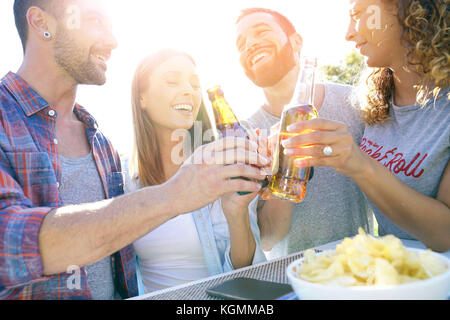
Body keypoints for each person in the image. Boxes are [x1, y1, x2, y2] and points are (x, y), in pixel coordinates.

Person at [0, 0, 266, 300]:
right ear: (41, 23)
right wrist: (177, 193)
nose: (113, 41)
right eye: (94, 21)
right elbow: (9, 245)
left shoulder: (100, 144)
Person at [283, 0, 449, 252]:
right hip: (394, 276)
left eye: (357, 13)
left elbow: (445, 235)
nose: (348, 33)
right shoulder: (375, 105)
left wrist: (360, 165)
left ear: (409, 9)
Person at [122, 50, 267, 294]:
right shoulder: (121, 179)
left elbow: (245, 273)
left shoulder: (220, 165)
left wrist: (236, 212)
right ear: (141, 98)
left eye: (194, 83)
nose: (189, 90)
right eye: (172, 81)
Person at [235, 7, 373, 258]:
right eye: (241, 43)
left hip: (360, 270)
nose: (250, 44)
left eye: (261, 32)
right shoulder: (245, 133)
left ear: (296, 41)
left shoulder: (354, 104)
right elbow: (267, 238)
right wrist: (283, 166)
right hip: (288, 283)